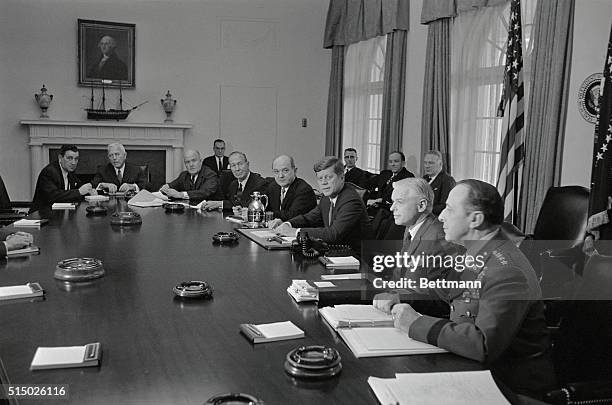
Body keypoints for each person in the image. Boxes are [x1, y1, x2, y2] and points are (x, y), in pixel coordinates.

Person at [374, 179, 556, 398]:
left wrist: (416, 323)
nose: (441, 216)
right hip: (471, 368)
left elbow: (483, 345)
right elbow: (444, 292)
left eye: (450, 209)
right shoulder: (474, 252)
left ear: (476, 219)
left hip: (509, 385)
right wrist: (400, 296)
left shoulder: (505, 269)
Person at [273, 156, 372, 251]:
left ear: (342, 177)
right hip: (333, 253)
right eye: (320, 178)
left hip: (357, 259)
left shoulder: (351, 200)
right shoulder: (326, 197)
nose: (323, 183)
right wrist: (287, 224)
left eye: (328, 177)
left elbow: (333, 234)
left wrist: (295, 232)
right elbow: (309, 218)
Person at [30, 144, 95, 213]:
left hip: (59, 214)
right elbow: (53, 196)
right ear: (60, 158)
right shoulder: (50, 172)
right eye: (69, 158)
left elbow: (79, 187)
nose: (73, 162)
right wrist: (79, 192)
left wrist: (90, 191)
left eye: (76, 159)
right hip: (41, 215)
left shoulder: (70, 171)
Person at [202, 151, 267, 210]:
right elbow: (232, 204)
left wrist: (220, 204)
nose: (237, 169)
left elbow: (249, 205)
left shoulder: (260, 183)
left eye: (240, 164)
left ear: (247, 164)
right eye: (233, 165)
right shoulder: (233, 184)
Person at [265, 155, 316, 222]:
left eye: (285, 170)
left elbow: (291, 216)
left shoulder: (304, 190)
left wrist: (269, 214)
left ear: (295, 171)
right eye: (276, 171)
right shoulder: (273, 187)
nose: (280, 176)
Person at [422, 150, 455, 216]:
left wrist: (424, 211)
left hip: (436, 219)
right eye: (425, 163)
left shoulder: (447, 180)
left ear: (440, 164)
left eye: (431, 163)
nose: (427, 166)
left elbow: (445, 206)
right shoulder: (424, 178)